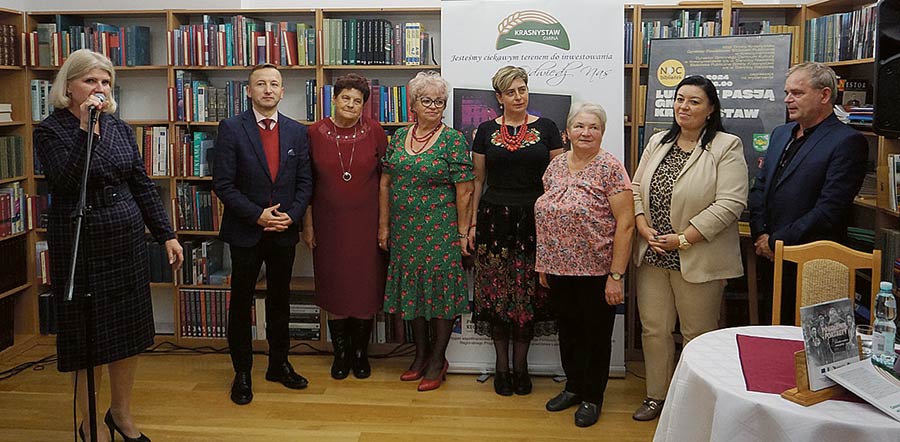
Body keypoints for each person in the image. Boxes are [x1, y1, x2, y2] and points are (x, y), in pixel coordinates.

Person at [34, 48, 184, 442]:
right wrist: (85, 128)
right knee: (87, 337)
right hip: (80, 241)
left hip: (125, 236)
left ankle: (120, 413)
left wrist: (166, 233)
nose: (99, 88)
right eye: (90, 80)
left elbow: (142, 184)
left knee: (127, 334)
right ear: (69, 86)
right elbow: (66, 182)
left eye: (105, 81)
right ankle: (90, 423)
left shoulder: (119, 128)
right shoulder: (50, 130)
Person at [630, 75, 748, 421]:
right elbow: (635, 188)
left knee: (696, 334)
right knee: (654, 329)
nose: (684, 106)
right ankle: (657, 396)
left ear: (711, 109)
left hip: (697, 255)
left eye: (694, 101)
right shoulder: (658, 141)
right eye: (680, 99)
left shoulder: (726, 146)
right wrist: (642, 226)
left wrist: (683, 238)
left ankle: (694, 403)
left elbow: (730, 203)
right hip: (653, 253)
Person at [212, 63, 313, 405]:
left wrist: (291, 216)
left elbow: (305, 182)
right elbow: (223, 184)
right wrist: (258, 216)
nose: (268, 90)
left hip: (283, 230)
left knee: (280, 300)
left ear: (283, 91)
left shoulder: (297, 132)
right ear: (249, 91)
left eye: (274, 84)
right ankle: (242, 372)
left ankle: (278, 364)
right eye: (261, 84)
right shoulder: (231, 128)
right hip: (246, 231)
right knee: (241, 303)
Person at [534, 103, 634, 428]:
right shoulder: (556, 166)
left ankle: (593, 396)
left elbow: (626, 224)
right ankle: (574, 387)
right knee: (568, 332)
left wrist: (616, 275)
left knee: (595, 336)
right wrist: (544, 264)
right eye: (579, 126)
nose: (586, 132)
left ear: (602, 132)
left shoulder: (611, 168)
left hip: (597, 271)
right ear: (567, 132)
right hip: (558, 269)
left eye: (593, 127)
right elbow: (547, 216)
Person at [748, 62, 867, 325]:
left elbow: (829, 210)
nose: (787, 100)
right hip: (771, 259)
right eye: (787, 92)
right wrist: (761, 234)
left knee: (806, 342)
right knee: (771, 334)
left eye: (797, 93)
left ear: (824, 95)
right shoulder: (780, 134)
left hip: (814, 264)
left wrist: (777, 242)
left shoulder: (847, 141)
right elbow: (759, 188)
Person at [469, 66, 564, 396]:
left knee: (528, 295)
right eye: (511, 92)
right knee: (497, 294)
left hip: (535, 220)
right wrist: (470, 224)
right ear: (499, 97)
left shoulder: (547, 128)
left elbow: (557, 182)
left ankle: (521, 368)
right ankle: (501, 368)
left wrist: (555, 227)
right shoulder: (484, 131)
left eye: (522, 89)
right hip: (494, 220)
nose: (518, 96)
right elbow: (478, 180)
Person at [379, 71, 474, 392]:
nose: (434, 106)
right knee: (413, 292)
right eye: (427, 100)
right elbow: (386, 182)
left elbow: (465, 190)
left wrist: (462, 233)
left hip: (440, 231)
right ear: (414, 104)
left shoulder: (453, 140)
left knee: (441, 294)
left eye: (439, 101)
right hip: (404, 231)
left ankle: (437, 359)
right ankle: (419, 356)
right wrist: (384, 226)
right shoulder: (398, 137)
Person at [304, 73, 388, 380]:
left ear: (364, 105)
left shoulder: (375, 131)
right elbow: (305, 183)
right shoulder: (314, 133)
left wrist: (384, 225)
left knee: (366, 286)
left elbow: (386, 180)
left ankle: (360, 352)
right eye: (346, 98)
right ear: (334, 99)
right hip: (328, 224)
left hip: (367, 223)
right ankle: (341, 353)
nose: (351, 105)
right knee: (335, 285)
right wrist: (308, 225)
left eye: (358, 100)